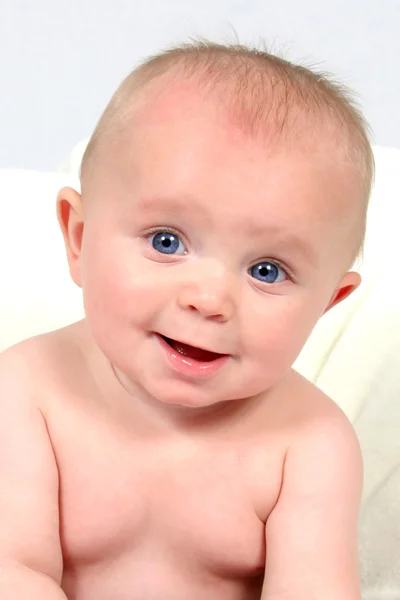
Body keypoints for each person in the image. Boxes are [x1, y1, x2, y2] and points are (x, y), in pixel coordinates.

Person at [0, 39, 374, 600]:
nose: (210, 299)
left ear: (327, 304)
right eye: (167, 241)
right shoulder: (30, 390)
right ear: (79, 238)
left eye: (267, 271)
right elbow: (13, 569)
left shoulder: (310, 444)